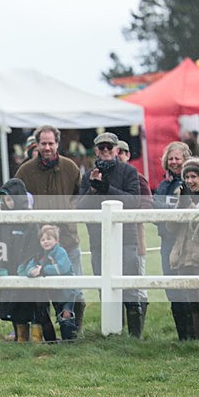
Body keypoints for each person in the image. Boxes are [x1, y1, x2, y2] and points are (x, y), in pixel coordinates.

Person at [15, 125, 85, 337]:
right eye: (43, 143)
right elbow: (17, 202)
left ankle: (74, 333)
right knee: (41, 290)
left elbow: (78, 197)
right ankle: (47, 335)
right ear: (36, 144)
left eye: (51, 143)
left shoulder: (71, 168)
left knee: (75, 289)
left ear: (57, 143)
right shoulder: (25, 171)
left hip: (68, 239)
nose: (47, 147)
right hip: (39, 243)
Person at [77, 132, 143, 339]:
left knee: (130, 288)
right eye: (101, 148)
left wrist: (107, 188)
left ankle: (134, 336)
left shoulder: (129, 171)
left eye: (109, 148)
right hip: (98, 241)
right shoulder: (88, 175)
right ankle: (112, 333)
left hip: (126, 239)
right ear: (96, 150)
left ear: (116, 150)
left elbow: (133, 201)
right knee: (104, 288)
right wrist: (93, 191)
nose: (105, 151)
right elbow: (80, 209)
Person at [167, 158, 199, 340]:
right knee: (193, 302)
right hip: (183, 255)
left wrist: (190, 203)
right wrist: (180, 206)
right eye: (187, 177)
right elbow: (171, 228)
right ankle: (198, 342)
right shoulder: (182, 196)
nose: (189, 181)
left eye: (193, 177)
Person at [0, 178, 39, 342]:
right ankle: (19, 335)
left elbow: (34, 246)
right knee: (11, 305)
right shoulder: (2, 221)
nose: (7, 203)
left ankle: (29, 337)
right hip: (8, 267)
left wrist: (26, 264)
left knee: (27, 305)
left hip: (24, 269)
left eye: (10, 199)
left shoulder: (31, 221)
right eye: (5, 200)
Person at [153, 141, 192, 340]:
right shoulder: (163, 185)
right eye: (171, 158)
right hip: (166, 241)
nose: (174, 162)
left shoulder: (191, 182)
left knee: (187, 287)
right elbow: (155, 211)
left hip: (186, 242)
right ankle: (183, 337)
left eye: (178, 158)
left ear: (186, 159)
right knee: (172, 289)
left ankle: (195, 335)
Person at [18, 225, 75, 341]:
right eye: (43, 240)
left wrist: (42, 270)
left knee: (66, 316)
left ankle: (69, 341)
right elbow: (28, 267)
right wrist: (32, 271)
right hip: (53, 292)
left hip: (66, 291)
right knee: (56, 315)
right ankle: (52, 340)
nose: (46, 242)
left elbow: (62, 268)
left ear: (56, 240)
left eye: (49, 239)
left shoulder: (60, 252)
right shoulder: (40, 254)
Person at [118, 139, 153, 322]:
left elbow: (147, 206)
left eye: (122, 152)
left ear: (128, 155)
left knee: (138, 283)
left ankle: (138, 326)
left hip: (136, 240)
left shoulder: (137, 178)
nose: (118, 156)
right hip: (113, 241)